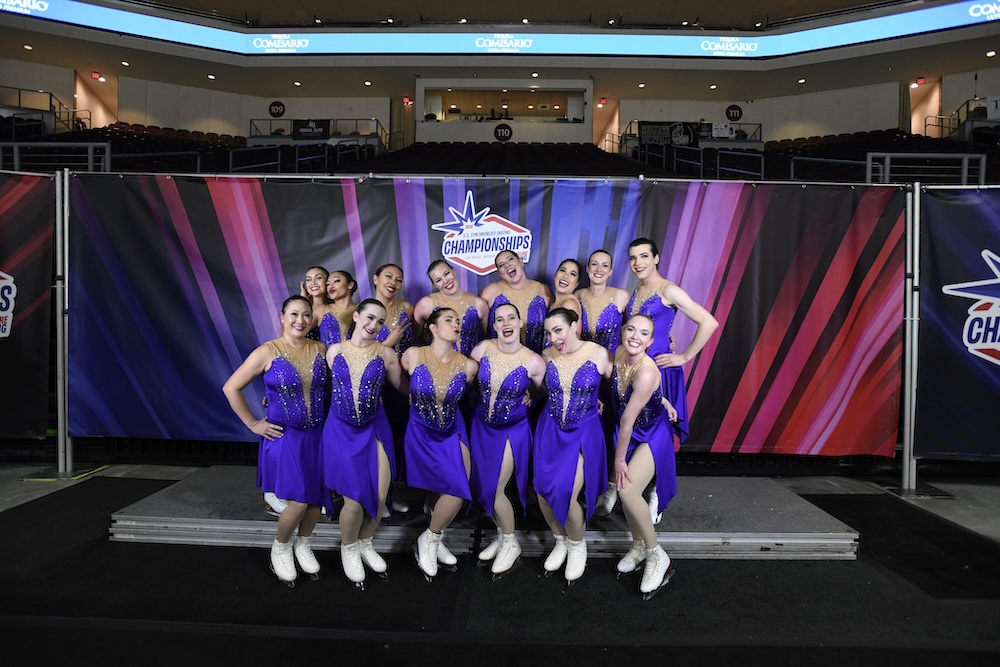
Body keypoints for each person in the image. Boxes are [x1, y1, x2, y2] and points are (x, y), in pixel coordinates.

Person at [222, 295, 327, 588]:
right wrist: (254, 423)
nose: (300, 320)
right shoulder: (267, 351)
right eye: (294, 314)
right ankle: (280, 546)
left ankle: (303, 544)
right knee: (299, 500)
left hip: (316, 436)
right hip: (285, 438)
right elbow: (231, 387)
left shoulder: (319, 348)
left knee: (316, 500)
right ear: (282, 317)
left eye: (306, 315)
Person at [626, 237, 718, 523]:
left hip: (661, 371)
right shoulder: (638, 289)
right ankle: (637, 486)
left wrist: (684, 356)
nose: (638, 263)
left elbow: (709, 322)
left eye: (644, 256)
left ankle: (658, 492)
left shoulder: (670, 290)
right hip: (636, 369)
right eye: (633, 258)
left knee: (659, 435)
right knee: (639, 429)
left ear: (656, 258)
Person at [322, 298, 407, 590]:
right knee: (354, 500)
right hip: (341, 429)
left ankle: (365, 542)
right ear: (356, 316)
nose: (373, 325)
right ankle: (348, 548)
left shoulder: (386, 354)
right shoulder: (333, 351)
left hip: (376, 427)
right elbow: (313, 385)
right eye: (369, 318)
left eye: (380, 322)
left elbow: (407, 389)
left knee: (381, 497)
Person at [533, 307, 613, 585]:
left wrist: (659, 399)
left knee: (565, 492)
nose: (553, 337)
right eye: (548, 332)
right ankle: (560, 540)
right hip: (550, 429)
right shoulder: (546, 356)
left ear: (575, 326)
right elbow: (537, 388)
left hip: (583, 432)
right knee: (542, 491)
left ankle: (578, 544)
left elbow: (625, 385)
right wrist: (524, 397)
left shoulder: (598, 353)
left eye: (558, 330)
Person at [400, 308, 479, 581]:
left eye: (458, 321)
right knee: (440, 488)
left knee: (457, 488)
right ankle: (436, 536)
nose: (456, 324)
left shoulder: (469, 365)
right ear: (432, 327)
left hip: (453, 429)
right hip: (421, 430)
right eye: (449, 320)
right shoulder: (412, 355)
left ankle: (430, 538)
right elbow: (395, 381)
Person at [468, 303, 546, 579]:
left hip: (512, 430)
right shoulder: (482, 349)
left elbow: (541, 391)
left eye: (511, 317)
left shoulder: (534, 360)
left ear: (521, 322)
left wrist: (530, 397)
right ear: (494, 326)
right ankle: (502, 536)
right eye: (499, 319)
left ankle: (511, 542)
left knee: (494, 488)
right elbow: (463, 380)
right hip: (480, 427)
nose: (506, 323)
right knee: (481, 486)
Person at [612, 314, 678, 600]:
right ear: (623, 331)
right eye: (631, 329)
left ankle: (656, 554)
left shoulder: (647, 371)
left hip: (652, 434)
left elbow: (627, 420)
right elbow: (632, 394)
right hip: (634, 430)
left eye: (643, 333)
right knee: (628, 490)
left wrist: (618, 461)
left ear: (651, 341)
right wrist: (661, 398)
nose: (635, 336)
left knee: (626, 489)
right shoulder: (619, 354)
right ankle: (639, 545)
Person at [577, 250, 631, 517]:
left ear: (611, 271)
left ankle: (610, 486)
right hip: (583, 375)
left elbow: (639, 330)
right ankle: (586, 486)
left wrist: (667, 340)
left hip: (611, 375)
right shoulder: (576, 297)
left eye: (605, 265)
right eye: (594, 264)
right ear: (587, 269)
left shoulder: (621, 296)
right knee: (588, 434)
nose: (599, 269)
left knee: (612, 429)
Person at [372, 263, 415, 513]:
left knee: (399, 437)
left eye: (399, 279)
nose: (393, 282)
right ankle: (379, 493)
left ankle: (394, 489)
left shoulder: (407, 308)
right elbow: (358, 351)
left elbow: (418, 340)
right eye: (388, 276)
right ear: (376, 278)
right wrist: (388, 343)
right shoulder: (363, 311)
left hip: (401, 384)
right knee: (378, 440)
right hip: (375, 386)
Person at [480, 250, 553, 353]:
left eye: (510, 259)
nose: (507, 265)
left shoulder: (543, 290)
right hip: (501, 361)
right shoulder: (492, 291)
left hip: (538, 362)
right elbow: (475, 323)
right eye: (501, 265)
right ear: (500, 273)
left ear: (521, 262)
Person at [413, 259, 489, 357]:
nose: (445, 281)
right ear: (434, 285)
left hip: (472, 366)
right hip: (439, 367)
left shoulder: (479, 304)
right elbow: (414, 338)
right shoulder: (426, 304)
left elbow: (488, 338)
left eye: (447, 273)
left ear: (454, 271)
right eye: (438, 280)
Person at [315, 269, 358, 346]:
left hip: (356, 357)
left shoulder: (361, 310)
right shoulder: (322, 310)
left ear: (350, 285)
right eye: (328, 284)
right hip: (327, 357)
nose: (331, 286)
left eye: (337, 281)